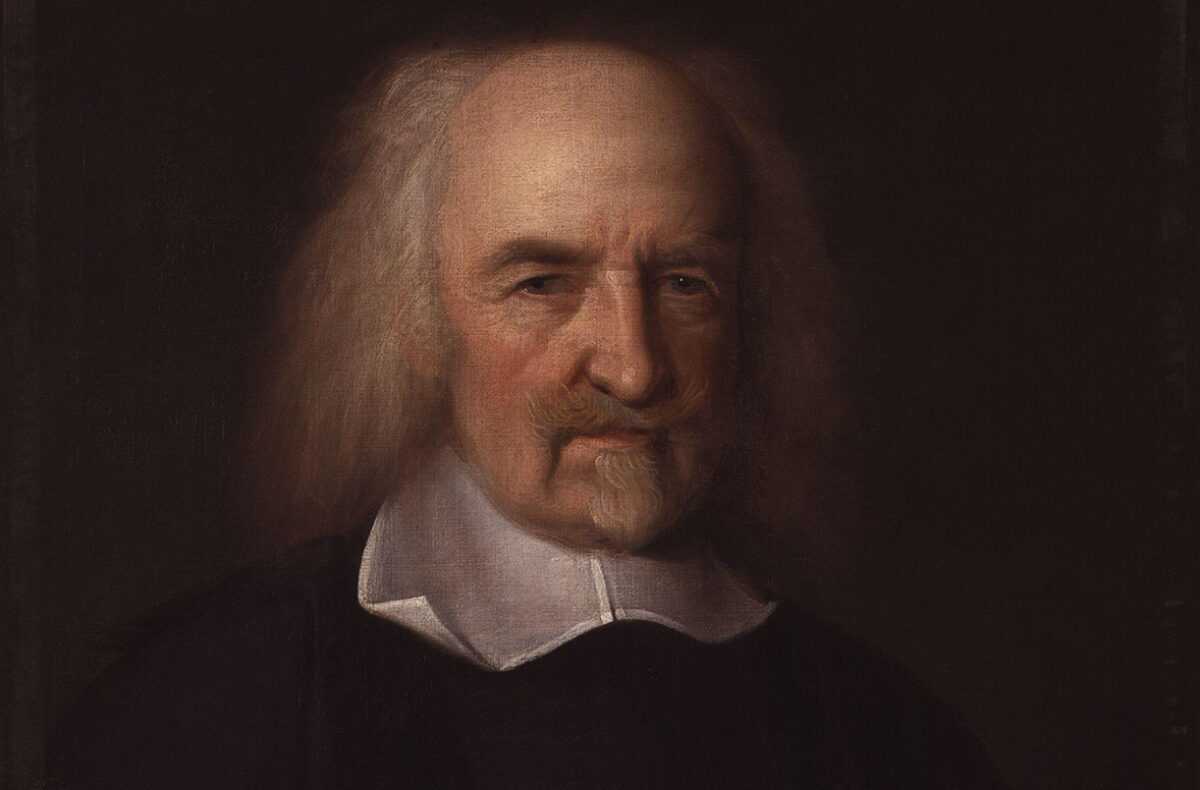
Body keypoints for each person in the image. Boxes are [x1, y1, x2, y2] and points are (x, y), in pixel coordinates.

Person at [50, 29, 1005, 789]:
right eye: (543, 283)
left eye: (685, 283)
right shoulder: (215, 695)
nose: (634, 369)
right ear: (419, 320)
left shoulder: (887, 733)